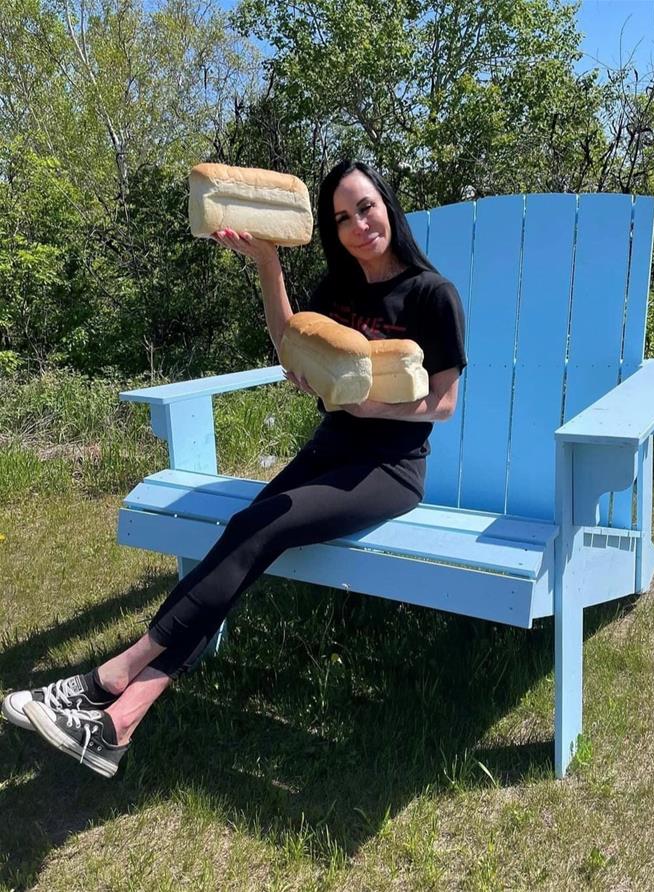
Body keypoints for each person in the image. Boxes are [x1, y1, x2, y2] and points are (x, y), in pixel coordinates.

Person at [1, 160, 468, 778]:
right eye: (342, 218)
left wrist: (368, 402)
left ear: (387, 205)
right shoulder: (338, 293)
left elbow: (443, 404)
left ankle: (107, 676)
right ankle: (118, 722)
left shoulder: (433, 295)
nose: (359, 224)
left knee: (262, 528)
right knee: (246, 535)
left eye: (366, 206)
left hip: (389, 469)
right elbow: (290, 349)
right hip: (332, 448)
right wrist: (269, 266)